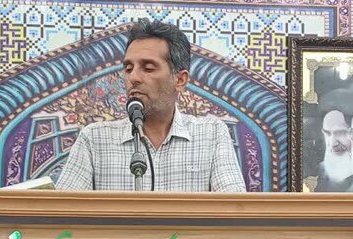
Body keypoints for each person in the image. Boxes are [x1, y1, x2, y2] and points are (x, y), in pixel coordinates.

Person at [56, 20, 246, 192]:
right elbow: (61, 212)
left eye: (148, 68)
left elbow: (235, 211)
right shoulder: (94, 139)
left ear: (180, 80)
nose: (133, 78)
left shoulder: (212, 135)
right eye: (128, 68)